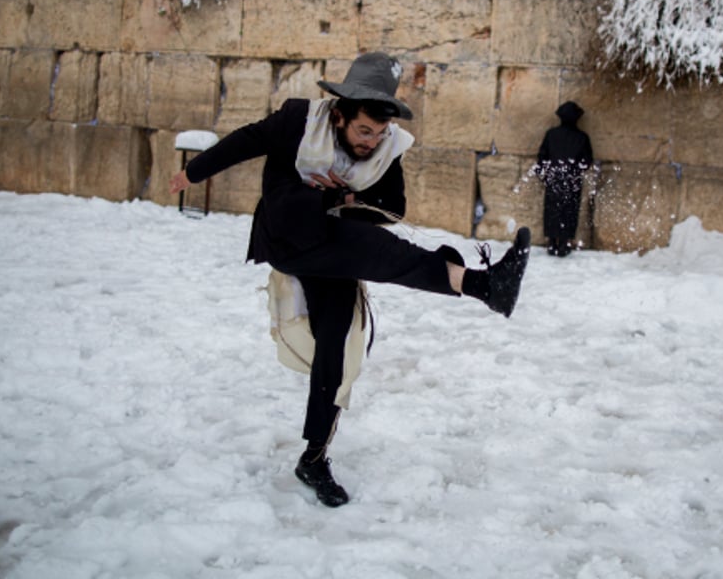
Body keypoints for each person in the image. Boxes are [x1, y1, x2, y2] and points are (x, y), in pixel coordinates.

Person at [168, 52, 530, 508]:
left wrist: (352, 194)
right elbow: (244, 142)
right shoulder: (298, 122)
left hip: (334, 250)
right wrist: (191, 173)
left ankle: (314, 457)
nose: (371, 141)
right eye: (363, 131)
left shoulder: (384, 148)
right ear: (339, 114)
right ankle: (481, 285)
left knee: (335, 346)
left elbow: (394, 207)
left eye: (379, 134)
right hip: (288, 234)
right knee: (375, 250)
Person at [535, 101, 593, 257]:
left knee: (552, 210)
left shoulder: (551, 135)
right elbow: (587, 161)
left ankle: (552, 242)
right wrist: (575, 171)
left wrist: (544, 175)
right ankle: (565, 242)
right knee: (569, 210)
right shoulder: (582, 137)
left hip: (553, 177)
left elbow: (542, 157)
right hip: (572, 179)